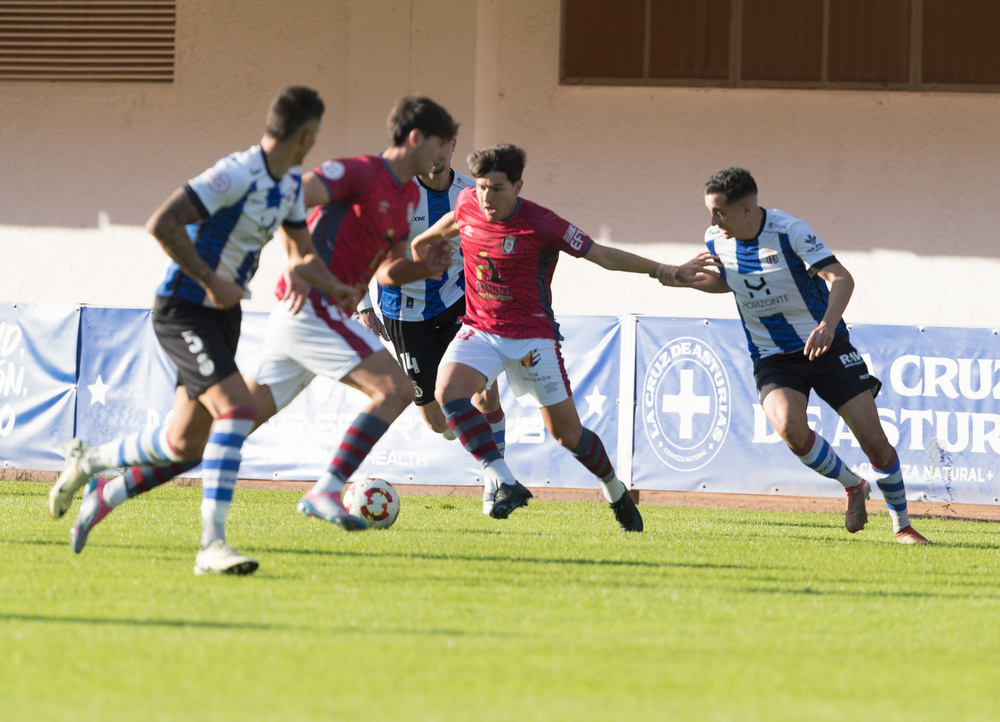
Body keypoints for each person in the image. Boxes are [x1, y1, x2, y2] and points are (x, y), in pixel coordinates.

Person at [48, 86, 365, 575]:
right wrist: (212, 279)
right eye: (315, 135)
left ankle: (92, 464)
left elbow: (301, 255)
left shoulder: (288, 186)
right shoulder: (236, 173)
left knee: (182, 444)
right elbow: (162, 223)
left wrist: (340, 288)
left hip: (222, 313)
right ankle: (211, 547)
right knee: (236, 410)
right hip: (184, 308)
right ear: (304, 135)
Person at [411, 143, 713, 531]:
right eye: (483, 186)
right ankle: (503, 480)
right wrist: (422, 253)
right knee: (447, 392)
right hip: (480, 328)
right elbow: (436, 234)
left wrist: (665, 270)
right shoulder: (468, 202)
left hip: (531, 340)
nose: (487, 197)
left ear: (518, 185)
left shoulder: (542, 223)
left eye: (498, 188)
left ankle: (614, 489)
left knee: (567, 434)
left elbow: (602, 254)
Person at [670, 166, 929, 544]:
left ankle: (902, 526)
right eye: (710, 211)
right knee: (791, 429)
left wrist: (826, 324)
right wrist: (686, 277)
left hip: (825, 344)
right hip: (771, 354)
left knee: (873, 440)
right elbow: (730, 282)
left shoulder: (789, 231)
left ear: (746, 209)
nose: (713, 220)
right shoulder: (716, 239)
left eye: (719, 212)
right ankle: (852, 484)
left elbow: (841, 278)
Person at [241, 95, 456, 530]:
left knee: (237, 419)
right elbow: (291, 195)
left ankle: (120, 470)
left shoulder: (403, 199)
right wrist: (298, 263)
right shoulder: (359, 171)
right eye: (439, 144)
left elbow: (389, 271)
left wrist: (424, 267)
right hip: (312, 308)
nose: (442, 156)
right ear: (416, 139)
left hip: (317, 315)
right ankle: (326, 488)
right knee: (395, 389)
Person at [355, 136, 507, 514]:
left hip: (460, 303)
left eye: (442, 146)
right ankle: (476, 440)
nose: (435, 156)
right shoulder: (394, 195)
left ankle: (498, 481)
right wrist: (362, 303)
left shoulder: (471, 193)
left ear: (453, 145)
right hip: (403, 313)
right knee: (438, 420)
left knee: (486, 393)